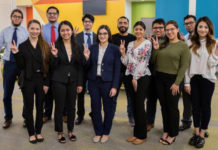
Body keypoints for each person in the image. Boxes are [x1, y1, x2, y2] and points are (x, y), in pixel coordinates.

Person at [10, 19, 50, 144]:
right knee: (28, 107)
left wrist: (47, 83)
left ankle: (38, 131)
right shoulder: (22, 46)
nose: (35, 31)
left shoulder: (44, 45)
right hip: (27, 80)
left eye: (37, 29)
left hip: (41, 80)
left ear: (40, 30)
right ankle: (31, 133)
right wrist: (16, 53)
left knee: (40, 107)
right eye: (32, 28)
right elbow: (21, 66)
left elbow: (48, 66)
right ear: (28, 29)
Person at [151, 20, 190, 145]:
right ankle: (166, 130)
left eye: (172, 29)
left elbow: (184, 66)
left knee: (172, 108)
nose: (169, 32)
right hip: (159, 78)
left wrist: (177, 83)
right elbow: (153, 61)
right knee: (164, 107)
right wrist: (156, 49)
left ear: (177, 30)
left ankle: (173, 133)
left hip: (173, 80)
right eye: (167, 30)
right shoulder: (162, 43)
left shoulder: (183, 45)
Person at [83, 25, 120, 143]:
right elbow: (87, 67)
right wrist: (87, 58)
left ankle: (106, 132)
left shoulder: (115, 49)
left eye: (105, 33)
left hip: (108, 83)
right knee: (95, 108)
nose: (102, 36)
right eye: (100, 34)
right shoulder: (92, 48)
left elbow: (117, 69)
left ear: (108, 35)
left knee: (108, 109)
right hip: (94, 82)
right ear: (97, 36)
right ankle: (98, 132)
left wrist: (114, 86)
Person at [185, 17, 218, 148]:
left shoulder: (214, 42)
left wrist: (215, 54)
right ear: (196, 28)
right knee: (195, 107)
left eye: (205, 27)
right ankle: (196, 132)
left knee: (205, 107)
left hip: (208, 79)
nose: (203, 29)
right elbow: (187, 65)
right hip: (194, 79)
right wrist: (187, 83)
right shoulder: (190, 43)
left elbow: (211, 65)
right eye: (200, 27)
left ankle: (202, 133)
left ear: (209, 28)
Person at [50, 20, 83, 143]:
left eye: (67, 30)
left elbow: (80, 66)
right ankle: (59, 131)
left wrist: (80, 83)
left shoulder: (77, 45)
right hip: (59, 80)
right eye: (63, 30)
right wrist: (55, 56)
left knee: (71, 107)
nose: (65, 32)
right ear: (60, 32)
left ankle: (70, 130)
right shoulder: (55, 45)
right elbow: (52, 67)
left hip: (73, 80)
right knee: (59, 106)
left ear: (71, 31)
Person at [121, 21, 152, 145]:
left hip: (142, 77)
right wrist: (123, 52)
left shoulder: (147, 43)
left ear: (144, 31)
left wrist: (135, 77)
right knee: (133, 105)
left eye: (140, 29)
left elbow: (144, 62)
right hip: (130, 76)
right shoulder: (130, 44)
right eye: (136, 29)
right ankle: (136, 134)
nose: (138, 31)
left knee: (139, 105)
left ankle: (142, 135)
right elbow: (126, 62)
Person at [0, 9, 28, 129]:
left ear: (22, 19)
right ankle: (8, 118)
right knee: (7, 94)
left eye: (19, 17)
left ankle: (26, 117)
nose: (17, 18)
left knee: (26, 93)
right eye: (15, 16)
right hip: (9, 64)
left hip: (22, 65)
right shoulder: (4, 31)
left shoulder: (26, 32)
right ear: (11, 17)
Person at [111, 16, 136, 126]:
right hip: (115, 72)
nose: (122, 25)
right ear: (117, 24)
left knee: (130, 97)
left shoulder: (133, 38)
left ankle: (131, 117)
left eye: (125, 23)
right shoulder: (111, 38)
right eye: (120, 22)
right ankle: (110, 116)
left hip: (129, 72)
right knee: (112, 96)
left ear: (128, 24)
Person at [75, 14, 97, 125]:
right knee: (80, 93)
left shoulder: (98, 36)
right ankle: (80, 115)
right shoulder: (76, 37)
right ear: (83, 23)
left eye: (89, 21)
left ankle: (94, 114)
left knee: (94, 93)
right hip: (80, 69)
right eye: (85, 21)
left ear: (92, 23)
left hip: (93, 69)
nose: (87, 23)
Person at [146, 18, 165, 131]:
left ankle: (166, 125)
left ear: (164, 28)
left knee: (165, 103)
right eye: (155, 28)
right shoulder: (148, 41)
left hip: (164, 77)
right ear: (152, 29)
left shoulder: (169, 40)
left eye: (160, 27)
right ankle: (149, 122)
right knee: (150, 101)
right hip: (151, 77)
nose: (157, 30)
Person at [42, 6, 60, 123]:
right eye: (50, 13)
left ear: (58, 15)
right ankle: (47, 113)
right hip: (46, 62)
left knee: (60, 87)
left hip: (59, 60)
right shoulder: (42, 29)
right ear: (47, 15)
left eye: (54, 13)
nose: (52, 15)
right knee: (47, 88)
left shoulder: (62, 27)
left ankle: (63, 113)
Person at [179, 15, 196, 131]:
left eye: (191, 22)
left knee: (199, 104)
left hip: (199, 76)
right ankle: (186, 122)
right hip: (187, 75)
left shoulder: (202, 38)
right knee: (187, 102)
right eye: (186, 23)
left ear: (195, 23)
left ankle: (200, 127)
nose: (188, 25)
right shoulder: (184, 38)